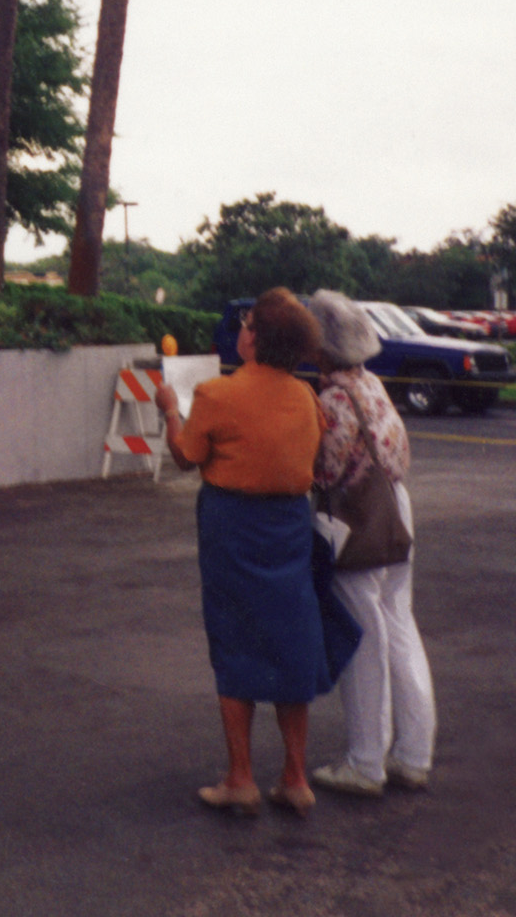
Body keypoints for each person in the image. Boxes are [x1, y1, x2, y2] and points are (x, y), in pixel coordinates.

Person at [155, 287, 349, 819]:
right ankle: (294, 776)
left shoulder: (219, 395)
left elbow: (185, 456)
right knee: (293, 642)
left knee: (235, 640)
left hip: (233, 528)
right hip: (289, 528)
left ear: (254, 340)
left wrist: (171, 411)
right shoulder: (306, 398)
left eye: (249, 324)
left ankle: (240, 777)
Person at [308, 288, 437, 797]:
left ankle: (365, 762)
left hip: (357, 515)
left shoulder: (331, 401)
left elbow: (326, 471)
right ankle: (413, 753)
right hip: (396, 507)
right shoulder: (374, 385)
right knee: (399, 623)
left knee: (362, 633)